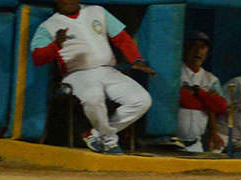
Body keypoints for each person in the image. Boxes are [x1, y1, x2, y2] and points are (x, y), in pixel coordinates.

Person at [31, 0, 156, 155]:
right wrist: (55, 44)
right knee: (93, 97)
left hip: (107, 70)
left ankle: (95, 134)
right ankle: (109, 142)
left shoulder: (98, 11)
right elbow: (37, 58)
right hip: (77, 74)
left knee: (141, 100)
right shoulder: (49, 25)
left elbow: (121, 38)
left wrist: (136, 59)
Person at [178, 31, 228, 152]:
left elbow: (221, 107)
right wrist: (207, 101)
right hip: (173, 142)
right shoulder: (175, 72)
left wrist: (197, 93)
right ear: (186, 47)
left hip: (196, 144)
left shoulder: (211, 79)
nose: (198, 51)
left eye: (202, 47)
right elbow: (180, 99)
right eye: (194, 46)